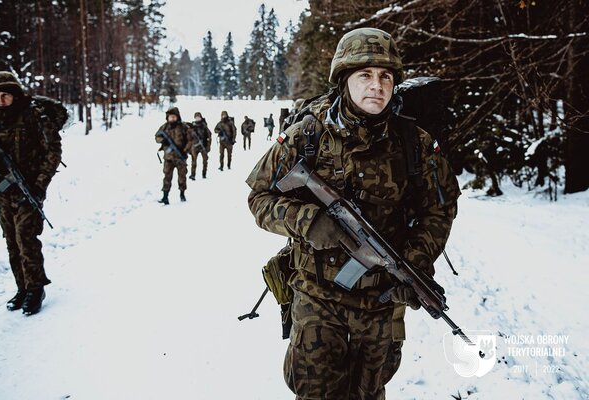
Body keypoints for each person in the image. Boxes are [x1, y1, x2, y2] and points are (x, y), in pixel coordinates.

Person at [245, 28, 460, 399]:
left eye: (385, 76)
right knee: (315, 391)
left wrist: (414, 264)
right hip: (316, 293)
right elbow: (259, 198)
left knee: (368, 393)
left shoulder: (415, 143)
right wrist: (309, 222)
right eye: (365, 75)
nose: (376, 85)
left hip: (381, 301)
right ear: (345, 80)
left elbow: (439, 210)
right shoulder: (307, 135)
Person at [0, 71, 67, 316]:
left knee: (26, 237)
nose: (2, 100)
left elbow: (53, 152)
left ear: (15, 94)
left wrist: (39, 184)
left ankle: (36, 288)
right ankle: (22, 287)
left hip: (30, 187)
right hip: (5, 189)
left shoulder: (33, 116)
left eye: (6, 95)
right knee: (12, 240)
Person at [155, 107, 192, 204]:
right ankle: (165, 196)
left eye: (174, 117)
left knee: (182, 177)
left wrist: (185, 150)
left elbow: (191, 140)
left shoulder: (184, 127)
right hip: (168, 158)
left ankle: (182, 193)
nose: (172, 119)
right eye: (170, 117)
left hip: (181, 157)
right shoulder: (164, 127)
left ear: (177, 117)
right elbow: (157, 137)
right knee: (167, 177)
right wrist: (163, 140)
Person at [188, 112, 212, 180]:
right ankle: (193, 175)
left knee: (205, 161)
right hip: (194, 147)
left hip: (203, 146)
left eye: (198, 117)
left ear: (201, 117)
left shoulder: (204, 126)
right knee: (193, 162)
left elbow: (209, 136)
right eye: (196, 117)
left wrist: (208, 146)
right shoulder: (192, 126)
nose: (197, 118)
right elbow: (189, 137)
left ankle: (204, 174)